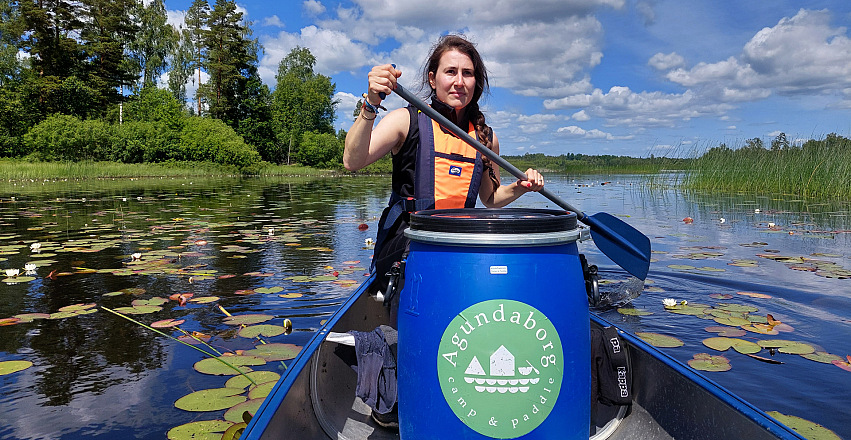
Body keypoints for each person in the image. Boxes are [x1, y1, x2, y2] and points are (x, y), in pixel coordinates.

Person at [345, 34, 545, 298]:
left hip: (459, 242)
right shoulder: (405, 120)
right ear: (432, 78)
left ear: (477, 82)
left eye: (468, 73)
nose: (459, 82)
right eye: (450, 72)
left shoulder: (485, 138)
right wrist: (371, 103)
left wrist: (520, 188)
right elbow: (352, 161)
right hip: (409, 244)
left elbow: (491, 198)